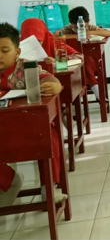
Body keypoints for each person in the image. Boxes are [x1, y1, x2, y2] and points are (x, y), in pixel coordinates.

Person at [0, 22, 66, 207]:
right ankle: (9, 180)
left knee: (50, 135)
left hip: (27, 126)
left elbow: (49, 79)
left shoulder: (25, 67)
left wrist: (54, 85)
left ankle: (49, 186)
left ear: (17, 52)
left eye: (4, 50)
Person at [55, 6, 109, 101]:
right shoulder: (67, 29)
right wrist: (78, 35)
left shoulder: (90, 27)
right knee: (81, 63)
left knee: (85, 63)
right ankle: (96, 93)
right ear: (70, 23)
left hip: (91, 62)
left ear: (88, 21)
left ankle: (95, 92)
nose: (79, 28)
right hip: (76, 61)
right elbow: (55, 36)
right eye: (75, 27)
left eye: (82, 26)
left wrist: (90, 32)